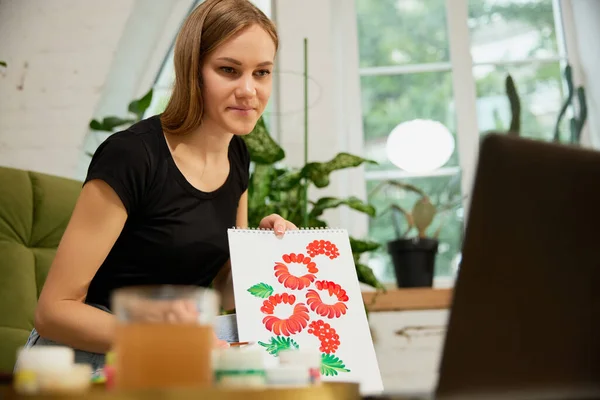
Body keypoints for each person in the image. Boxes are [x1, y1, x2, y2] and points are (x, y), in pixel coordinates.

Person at [23, 0, 295, 371]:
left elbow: (221, 292)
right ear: (192, 71)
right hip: (88, 357)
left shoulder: (237, 157)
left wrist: (264, 254)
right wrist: (174, 341)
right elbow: (54, 311)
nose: (249, 90)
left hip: (176, 351)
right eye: (228, 70)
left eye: (261, 73)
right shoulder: (132, 155)